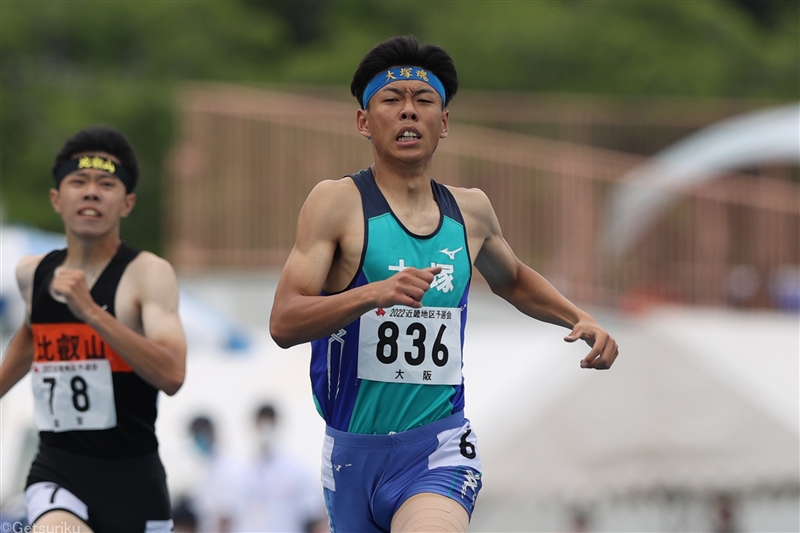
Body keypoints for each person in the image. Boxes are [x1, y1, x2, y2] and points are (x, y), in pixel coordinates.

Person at [269, 35, 619, 533]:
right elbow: (283, 321)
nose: (408, 112)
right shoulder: (336, 203)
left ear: (445, 122)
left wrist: (578, 317)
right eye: (392, 100)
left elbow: (514, 279)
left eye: (424, 101)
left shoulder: (470, 210)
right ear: (364, 122)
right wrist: (374, 293)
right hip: (350, 455)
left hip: (437, 449)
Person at [0, 126, 187, 532]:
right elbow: (32, 338)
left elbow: (172, 375)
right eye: (78, 182)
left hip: (134, 478)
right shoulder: (33, 274)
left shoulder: (148, 275)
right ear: (56, 198)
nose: (90, 192)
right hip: (57, 471)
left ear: (127, 203)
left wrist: (92, 312)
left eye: (106, 183)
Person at [234, 404, 328, 533]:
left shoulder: (297, 469)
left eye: (269, 424)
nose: (264, 429)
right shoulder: (243, 471)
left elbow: (312, 516)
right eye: (260, 424)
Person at [185, 415, 241, 533]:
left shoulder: (227, 467)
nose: (197, 440)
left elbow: (226, 515)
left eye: (200, 434)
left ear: (211, 433)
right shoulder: (204, 468)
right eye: (194, 435)